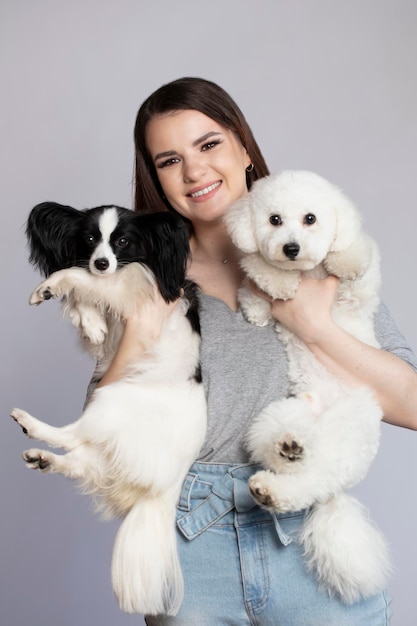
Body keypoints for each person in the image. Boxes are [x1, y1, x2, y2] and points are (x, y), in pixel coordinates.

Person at [96, 77, 417, 625]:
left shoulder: (318, 253)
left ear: (243, 147)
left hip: (311, 539)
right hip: (190, 551)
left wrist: (317, 327)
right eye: (169, 160)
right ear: (156, 178)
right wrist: (138, 333)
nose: (194, 171)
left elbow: (411, 404)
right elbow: (103, 440)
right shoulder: (140, 280)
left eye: (209, 144)